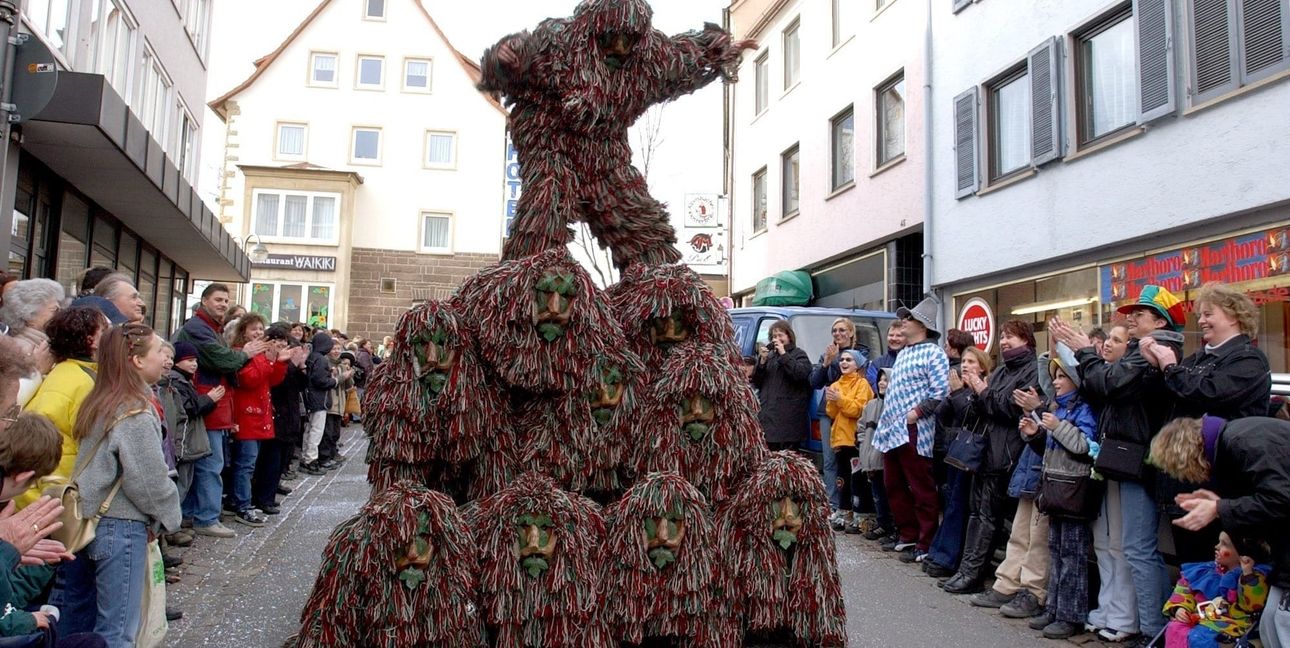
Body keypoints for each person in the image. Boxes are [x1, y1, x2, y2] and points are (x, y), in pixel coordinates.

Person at [1051, 284, 1186, 646]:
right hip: (1129, 458)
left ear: (1159, 320)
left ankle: (1152, 628)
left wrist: (1083, 350)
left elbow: (1107, 382)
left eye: (1139, 314)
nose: (1133, 320)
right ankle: (1148, 625)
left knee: (1139, 549)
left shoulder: (1153, 349)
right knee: (1133, 547)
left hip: (1139, 460)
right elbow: (1104, 383)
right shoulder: (1146, 350)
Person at [54, 324, 182, 647]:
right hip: (120, 526)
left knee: (80, 624)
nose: (163, 358)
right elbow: (149, 481)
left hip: (87, 522)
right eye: (157, 351)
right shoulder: (134, 410)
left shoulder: (100, 400)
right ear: (137, 361)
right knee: (117, 631)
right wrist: (170, 517)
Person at [1146, 283, 1272, 562]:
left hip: (1223, 483)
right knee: (1190, 564)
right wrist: (1155, 369)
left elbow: (1209, 393)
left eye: (1208, 314)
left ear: (1233, 315)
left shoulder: (1249, 360)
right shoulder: (1200, 357)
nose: (1201, 321)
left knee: (1220, 564)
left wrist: (1169, 367)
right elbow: (1168, 397)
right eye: (1200, 315)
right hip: (1185, 478)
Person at [1151, 415, 1290, 648]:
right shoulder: (1234, 441)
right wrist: (1222, 502)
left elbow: (1281, 499)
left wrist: (1219, 507)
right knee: (1271, 623)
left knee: (1281, 622)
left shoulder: (1242, 443)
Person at [945, 320, 1040, 595]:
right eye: (1002, 336)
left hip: (1006, 453)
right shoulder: (1001, 371)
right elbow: (981, 409)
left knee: (989, 517)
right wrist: (974, 394)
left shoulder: (1030, 370)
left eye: (1011, 337)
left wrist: (982, 391)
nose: (1005, 341)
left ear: (1027, 341)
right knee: (976, 513)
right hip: (985, 451)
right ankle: (966, 570)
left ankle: (974, 575)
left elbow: (1010, 408)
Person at [173, 284, 265, 539]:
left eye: (226, 300)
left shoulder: (209, 328)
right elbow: (223, 360)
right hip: (208, 405)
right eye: (218, 299)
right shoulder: (198, 329)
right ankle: (206, 517)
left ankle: (193, 513)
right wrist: (244, 354)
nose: (223, 304)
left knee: (207, 462)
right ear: (204, 300)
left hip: (215, 405)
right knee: (210, 464)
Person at [1020, 359, 1099, 639]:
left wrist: (1056, 427)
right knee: (1056, 551)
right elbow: (1051, 450)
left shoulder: (1086, 410)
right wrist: (1034, 436)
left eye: (1062, 376)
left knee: (1072, 556)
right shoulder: (1058, 408)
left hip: (1074, 490)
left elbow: (1085, 447)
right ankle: (1054, 608)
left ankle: (1070, 615)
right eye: (1055, 376)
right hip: (1056, 488)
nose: (1055, 382)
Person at [872, 297, 948, 563]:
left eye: (909, 319)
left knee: (921, 487)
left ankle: (926, 540)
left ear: (922, 326)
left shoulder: (934, 353)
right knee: (893, 483)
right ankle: (908, 533)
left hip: (916, 430)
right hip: (893, 428)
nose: (903, 323)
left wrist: (916, 414)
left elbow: (940, 392)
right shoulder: (903, 353)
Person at [14, 308, 107, 510]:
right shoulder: (77, 381)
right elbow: (35, 445)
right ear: (92, 340)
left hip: (52, 493)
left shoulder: (76, 375)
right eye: (105, 330)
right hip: (54, 496)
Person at [924, 346, 993, 578]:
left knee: (958, 506)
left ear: (982, 367)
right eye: (963, 361)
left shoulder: (984, 390)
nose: (965, 365)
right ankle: (939, 551)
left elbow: (971, 415)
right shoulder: (959, 389)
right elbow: (942, 414)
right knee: (951, 502)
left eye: (972, 362)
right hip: (953, 450)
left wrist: (957, 394)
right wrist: (953, 393)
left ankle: (947, 558)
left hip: (972, 454)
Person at [228, 315, 289, 526]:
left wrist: (278, 363)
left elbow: (271, 380)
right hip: (247, 415)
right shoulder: (239, 354)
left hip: (258, 415)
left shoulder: (259, 355)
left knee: (249, 463)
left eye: (260, 329)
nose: (258, 333)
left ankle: (240, 500)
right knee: (245, 464)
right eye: (254, 329)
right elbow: (249, 379)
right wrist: (269, 361)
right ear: (243, 331)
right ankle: (242, 505)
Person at [157, 341, 220, 546]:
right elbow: (188, 410)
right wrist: (209, 399)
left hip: (185, 442)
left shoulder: (179, 382)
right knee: (178, 486)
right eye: (189, 360)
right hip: (181, 444)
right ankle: (169, 530)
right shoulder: (175, 382)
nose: (194, 364)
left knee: (184, 484)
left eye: (195, 360)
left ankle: (173, 527)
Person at [1161, 532, 1271, 648]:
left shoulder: (1254, 576)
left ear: (1242, 553)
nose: (1217, 546)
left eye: (1224, 544)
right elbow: (1184, 590)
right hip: (1200, 616)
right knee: (1174, 627)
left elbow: (1253, 606)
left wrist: (1247, 574)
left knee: (1200, 637)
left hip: (1233, 622)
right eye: (1219, 542)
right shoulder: (1205, 570)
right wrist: (1180, 607)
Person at [810, 318, 866, 512]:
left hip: (851, 412)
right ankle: (833, 503)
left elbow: (858, 377)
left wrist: (836, 362)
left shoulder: (862, 353)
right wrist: (826, 363)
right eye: (834, 331)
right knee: (829, 460)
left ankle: (851, 504)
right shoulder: (827, 354)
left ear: (851, 333)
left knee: (852, 459)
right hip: (829, 411)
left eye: (842, 330)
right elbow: (815, 383)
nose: (838, 334)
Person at [824, 349, 874, 534]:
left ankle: (862, 514)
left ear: (858, 364)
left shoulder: (862, 384)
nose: (844, 362)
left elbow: (858, 410)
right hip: (840, 439)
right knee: (842, 479)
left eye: (849, 360)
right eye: (842, 360)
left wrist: (840, 399)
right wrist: (832, 401)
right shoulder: (836, 384)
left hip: (854, 439)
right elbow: (831, 412)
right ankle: (845, 511)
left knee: (858, 479)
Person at [259, 327, 307, 509]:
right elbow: (278, 384)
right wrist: (293, 365)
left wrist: (301, 366)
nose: (282, 344)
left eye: (284, 341)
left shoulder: (288, 364)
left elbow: (302, 385)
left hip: (289, 415)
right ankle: (265, 498)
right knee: (271, 460)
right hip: (277, 415)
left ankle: (270, 492)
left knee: (281, 459)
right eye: (277, 340)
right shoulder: (273, 361)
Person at [753, 320, 813, 452]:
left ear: (789, 337)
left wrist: (784, 355)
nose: (777, 339)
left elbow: (801, 374)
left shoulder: (799, 354)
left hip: (788, 422)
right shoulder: (770, 356)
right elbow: (757, 382)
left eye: (781, 335)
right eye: (774, 336)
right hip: (768, 418)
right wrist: (762, 362)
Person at [858, 368, 895, 540]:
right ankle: (882, 523)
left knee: (889, 494)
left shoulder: (894, 405)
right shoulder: (871, 405)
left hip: (885, 458)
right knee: (877, 494)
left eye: (885, 380)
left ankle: (892, 526)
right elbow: (861, 428)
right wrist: (863, 443)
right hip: (871, 457)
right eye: (880, 379)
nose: (881, 382)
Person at [1, 278, 64, 378]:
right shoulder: (19, 350)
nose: (60, 315)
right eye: (55, 310)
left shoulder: (43, 342)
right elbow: (15, 390)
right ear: (29, 315)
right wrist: (38, 372)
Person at [300, 332, 338, 475]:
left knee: (309, 430)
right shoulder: (321, 359)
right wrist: (334, 380)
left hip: (312, 397)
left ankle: (306, 457)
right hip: (319, 399)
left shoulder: (313, 357)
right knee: (316, 430)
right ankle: (310, 460)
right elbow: (320, 380)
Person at [867, 320, 906, 393]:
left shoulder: (913, 360)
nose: (894, 338)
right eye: (891, 335)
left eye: (899, 335)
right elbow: (873, 385)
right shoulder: (877, 363)